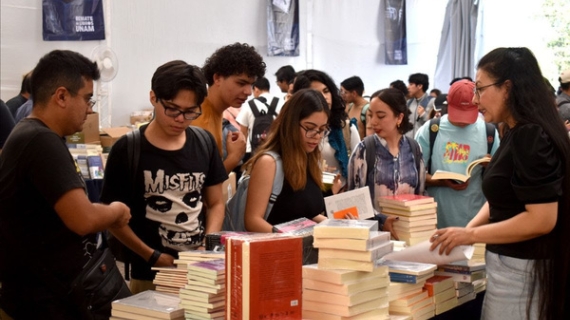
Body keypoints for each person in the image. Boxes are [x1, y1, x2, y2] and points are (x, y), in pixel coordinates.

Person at [430, 47, 570, 320]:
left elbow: (541, 219)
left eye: (480, 88)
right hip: (511, 267)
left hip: (523, 272)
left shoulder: (531, 135)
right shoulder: (515, 130)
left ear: (507, 87)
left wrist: (470, 236)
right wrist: (466, 230)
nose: (474, 98)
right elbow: (503, 198)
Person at [0, 50, 131, 319]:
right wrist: (116, 211)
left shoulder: (34, 136)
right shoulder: (40, 141)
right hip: (41, 302)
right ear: (61, 96)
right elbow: (82, 218)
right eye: (86, 98)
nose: (90, 109)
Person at [100, 60, 228, 294]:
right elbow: (111, 218)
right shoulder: (127, 149)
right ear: (153, 98)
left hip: (199, 272)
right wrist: (152, 256)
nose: (181, 119)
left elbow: (217, 202)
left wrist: (206, 245)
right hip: (149, 275)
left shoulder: (204, 142)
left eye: (191, 111)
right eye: (172, 109)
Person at [415, 80, 500, 229]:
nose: (462, 121)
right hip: (434, 222)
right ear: (448, 105)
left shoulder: (489, 133)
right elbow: (413, 175)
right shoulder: (431, 130)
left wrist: (490, 166)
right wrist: (441, 181)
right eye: (459, 113)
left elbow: (501, 179)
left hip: (475, 222)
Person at [243, 89, 329, 232]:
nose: (316, 136)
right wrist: (289, 240)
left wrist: (335, 223)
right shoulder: (269, 163)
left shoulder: (309, 158)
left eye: (322, 129)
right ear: (291, 124)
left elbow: (306, 213)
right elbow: (253, 221)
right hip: (277, 249)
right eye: (309, 128)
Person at [347, 88, 425, 238]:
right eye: (370, 115)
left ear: (399, 118)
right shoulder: (364, 150)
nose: (373, 122)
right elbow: (354, 201)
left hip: (407, 236)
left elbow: (420, 195)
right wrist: (382, 220)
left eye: (381, 116)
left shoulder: (414, 149)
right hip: (373, 237)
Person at [194, 43, 265, 174]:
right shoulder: (198, 119)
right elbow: (200, 183)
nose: (249, 92)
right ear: (217, 78)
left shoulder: (215, 112)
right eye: (241, 83)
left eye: (251, 84)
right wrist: (234, 157)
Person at [293, 70, 360, 191]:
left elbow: (359, 172)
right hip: (306, 196)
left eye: (326, 91)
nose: (324, 97)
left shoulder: (347, 130)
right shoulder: (294, 130)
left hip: (340, 198)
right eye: (316, 93)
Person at [236, 76, 284, 163]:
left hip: (252, 152)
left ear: (256, 89)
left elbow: (243, 133)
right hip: (277, 150)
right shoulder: (281, 103)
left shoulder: (249, 105)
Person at [341, 75, 370, 140]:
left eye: (346, 92)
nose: (343, 95)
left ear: (354, 93)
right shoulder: (350, 106)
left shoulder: (367, 109)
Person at [406, 73, 433, 139]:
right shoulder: (408, 102)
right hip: (408, 142)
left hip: (423, 142)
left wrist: (423, 115)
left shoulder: (432, 102)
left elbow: (435, 124)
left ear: (420, 86)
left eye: (411, 84)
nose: (408, 87)